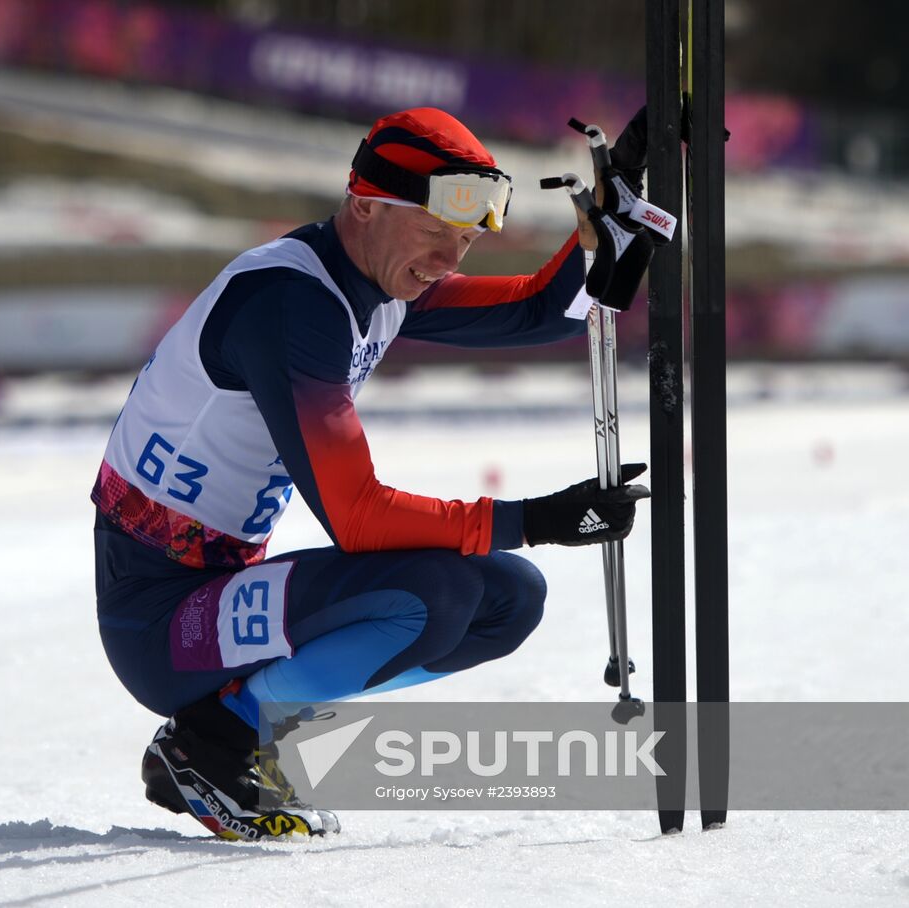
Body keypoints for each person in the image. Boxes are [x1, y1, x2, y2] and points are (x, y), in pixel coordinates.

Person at [91, 107, 650, 841]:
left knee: (510, 599)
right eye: (435, 231)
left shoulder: (376, 280)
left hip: (214, 593)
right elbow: (356, 516)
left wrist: (628, 194)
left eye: (466, 238)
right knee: (437, 593)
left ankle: (234, 727)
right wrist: (533, 520)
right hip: (162, 624)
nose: (451, 259)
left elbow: (540, 312)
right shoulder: (291, 304)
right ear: (364, 205)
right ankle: (222, 742)